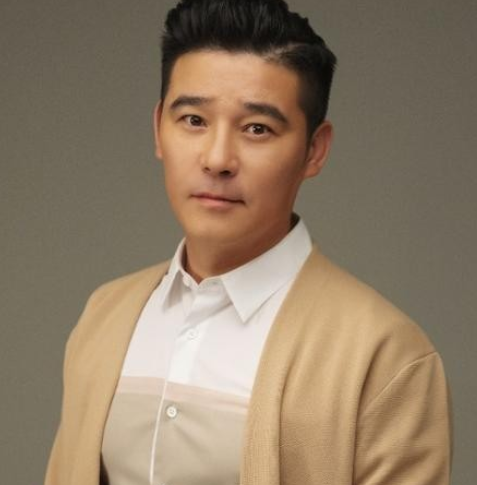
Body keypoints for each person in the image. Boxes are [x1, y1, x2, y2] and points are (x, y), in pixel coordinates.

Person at [44, 0, 453, 484]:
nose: (217, 159)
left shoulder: (385, 355)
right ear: (158, 129)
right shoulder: (105, 315)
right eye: (193, 120)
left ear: (314, 150)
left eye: (257, 128)